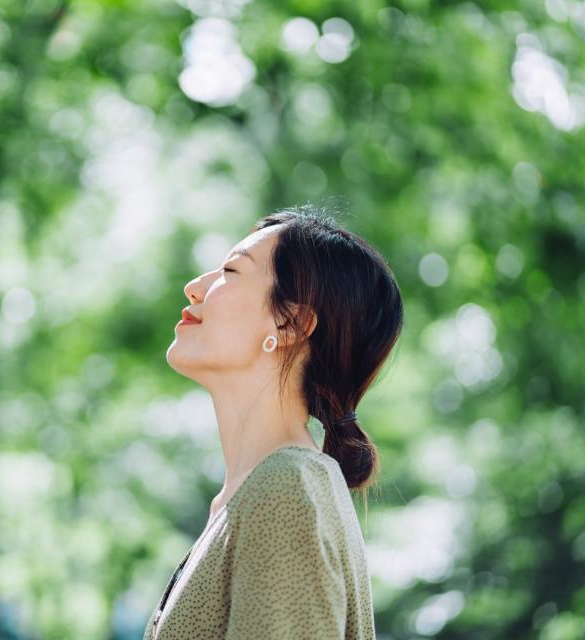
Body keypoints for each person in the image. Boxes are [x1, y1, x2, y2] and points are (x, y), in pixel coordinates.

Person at [142, 204, 404, 639]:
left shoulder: (285, 490)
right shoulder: (258, 494)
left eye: (229, 270)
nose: (194, 287)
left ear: (290, 323)